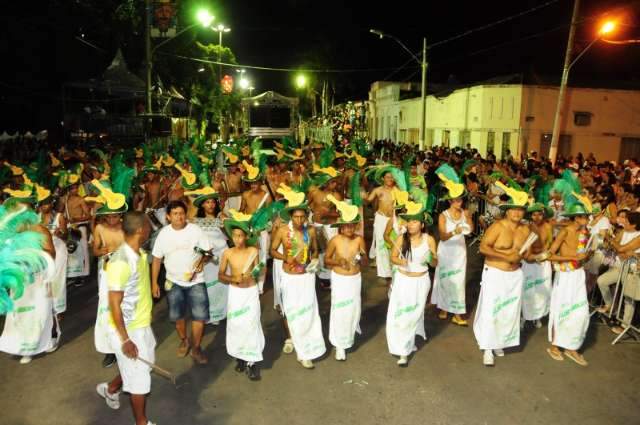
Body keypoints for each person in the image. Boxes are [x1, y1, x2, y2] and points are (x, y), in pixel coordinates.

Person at [96, 212, 157, 425]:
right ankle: (141, 422)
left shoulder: (138, 253)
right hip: (128, 330)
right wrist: (125, 340)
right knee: (140, 380)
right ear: (140, 230)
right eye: (149, 226)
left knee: (143, 366)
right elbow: (113, 303)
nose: (151, 229)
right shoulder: (121, 262)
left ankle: (111, 389)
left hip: (141, 325)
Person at [475, 182, 531, 366]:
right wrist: (506, 255)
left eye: (520, 210)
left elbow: (527, 255)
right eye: (513, 209)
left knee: (508, 312)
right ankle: (488, 348)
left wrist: (539, 256)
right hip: (495, 273)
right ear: (507, 211)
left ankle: (500, 341)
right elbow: (483, 247)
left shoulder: (525, 230)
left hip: (515, 275)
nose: (516, 213)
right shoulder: (498, 227)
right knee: (492, 309)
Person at [270, 186, 325, 369]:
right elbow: (272, 250)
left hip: (306, 276)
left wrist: (315, 259)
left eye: (302, 217)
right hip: (290, 277)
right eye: (296, 217)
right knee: (293, 312)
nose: (299, 220)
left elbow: (316, 250)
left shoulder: (310, 231)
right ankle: (301, 350)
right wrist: (284, 257)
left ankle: (308, 347)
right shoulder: (282, 231)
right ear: (291, 216)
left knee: (308, 312)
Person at [151, 200, 211, 364]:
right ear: (168, 217)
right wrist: (154, 283)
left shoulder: (196, 230)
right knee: (178, 316)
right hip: (173, 281)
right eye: (175, 214)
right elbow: (157, 259)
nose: (179, 217)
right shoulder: (164, 234)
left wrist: (199, 265)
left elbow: (207, 253)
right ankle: (184, 340)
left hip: (196, 281)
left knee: (199, 316)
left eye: (182, 213)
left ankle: (196, 348)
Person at [0, 196, 58, 364]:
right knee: (20, 313)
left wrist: (32, 258)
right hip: (20, 279)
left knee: (41, 312)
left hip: (39, 278)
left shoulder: (40, 230)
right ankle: (25, 346)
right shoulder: (11, 232)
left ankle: (45, 340)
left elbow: (51, 253)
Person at [386, 201, 437, 367]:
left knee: (413, 314)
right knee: (401, 314)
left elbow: (435, 264)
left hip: (421, 282)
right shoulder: (401, 238)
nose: (410, 224)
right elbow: (392, 257)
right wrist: (400, 261)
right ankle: (403, 350)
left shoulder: (429, 240)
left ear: (422, 225)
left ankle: (407, 342)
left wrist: (433, 259)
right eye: (408, 221)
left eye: (414, 221)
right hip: (403, 280)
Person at [546, 193, 594, 367]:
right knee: (562, 309)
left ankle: (572, 347)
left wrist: (587, 256)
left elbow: (583, 257)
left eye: (588, 216)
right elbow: (550, 255)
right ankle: (555, 346)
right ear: (576, 218)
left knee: (580, 312)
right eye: (585, 216)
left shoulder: (585, 232)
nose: (588, 219)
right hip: (565, 276)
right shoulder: (566, 230)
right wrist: (573, 257)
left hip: (578, 274)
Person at [218, 215, 265, 381]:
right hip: (236, 294)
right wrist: (234, 279)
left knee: (251, 324)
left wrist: (256, 273)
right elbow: (221, 275)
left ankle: (252, 362)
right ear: (232, 237)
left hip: (250, 292)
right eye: (235, 235)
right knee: (237, 324)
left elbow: (259, 270)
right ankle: (240, 356)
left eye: (241, 235)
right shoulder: (227, 253)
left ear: (246, 236)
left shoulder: (253, 252)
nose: (238, 239)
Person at [323, 196, 366, 361]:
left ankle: (352, 328)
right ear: (341, 226)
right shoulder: (335, 240)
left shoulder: (359, 239)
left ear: (355, 225)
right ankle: (339, 344)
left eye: (351, 225)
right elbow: (326, 260)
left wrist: (361, 256)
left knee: (354, 308)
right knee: (340, 310)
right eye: (345, 226)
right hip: (340, 279)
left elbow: (365, 259)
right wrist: (338, 261)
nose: (349, 228)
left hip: (355, 278)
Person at [432, 164, 472, 326]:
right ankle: (444, 308)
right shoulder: (443, 215)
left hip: (460, 252)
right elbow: (442, 235)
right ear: (450, 200)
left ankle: (457, 312)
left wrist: (468, 219)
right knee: (445, 279)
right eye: (456, 199)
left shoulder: (465, 213)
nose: (459, 202)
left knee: (458, 281)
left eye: (461, 199)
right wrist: (455, 231)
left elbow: (470, 231)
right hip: (446, 251)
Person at [190, 191, 228, 325]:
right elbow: (193, 242)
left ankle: (225, 311)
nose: (210, 205)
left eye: (212, 202)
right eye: (207, 202)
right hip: (206, 260)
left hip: (222, 255)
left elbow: (229, 236)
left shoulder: (222, 218)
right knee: (209, 286)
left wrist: (224, 222)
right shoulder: (195, 222)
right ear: (202, 205)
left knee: (223, 285)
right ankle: (213, 315)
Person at [92, 211, 125, 368]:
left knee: (125, 308)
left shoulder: (127, 226)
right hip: (107, 271)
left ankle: (125, 345)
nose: (112, 219)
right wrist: (101, 252)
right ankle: (110, 350)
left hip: (125, 271)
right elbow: (95, 250)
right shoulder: (99, 228)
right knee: (106, 310)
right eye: (109, 216)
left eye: (116, 216)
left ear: (121, 215)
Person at [521, 202, 553, 329]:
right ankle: (524, 316)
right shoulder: (526, 227)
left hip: (543, 262)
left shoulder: (548, 227)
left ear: (543, 215)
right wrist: (533, 258)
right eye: (534, 214)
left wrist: (543, 256)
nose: (537, 217)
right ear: (530, 216)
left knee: (542, 290)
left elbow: (548, 245)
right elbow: (524, 248)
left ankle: (537, 316)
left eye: (539, 214)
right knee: (527, 290)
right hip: (529, 262)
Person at [366, 169, 399, 279]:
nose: (390, 179)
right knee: (381, 244)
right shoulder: (378, 190)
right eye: (387, 177)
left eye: (391, 177)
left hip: (394, 219)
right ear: (383, 179)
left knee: (393, 242)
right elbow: (368, 200)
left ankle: (394, 267)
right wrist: (363, 195)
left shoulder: (398, 190)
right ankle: (385, 272)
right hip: (381, 218)